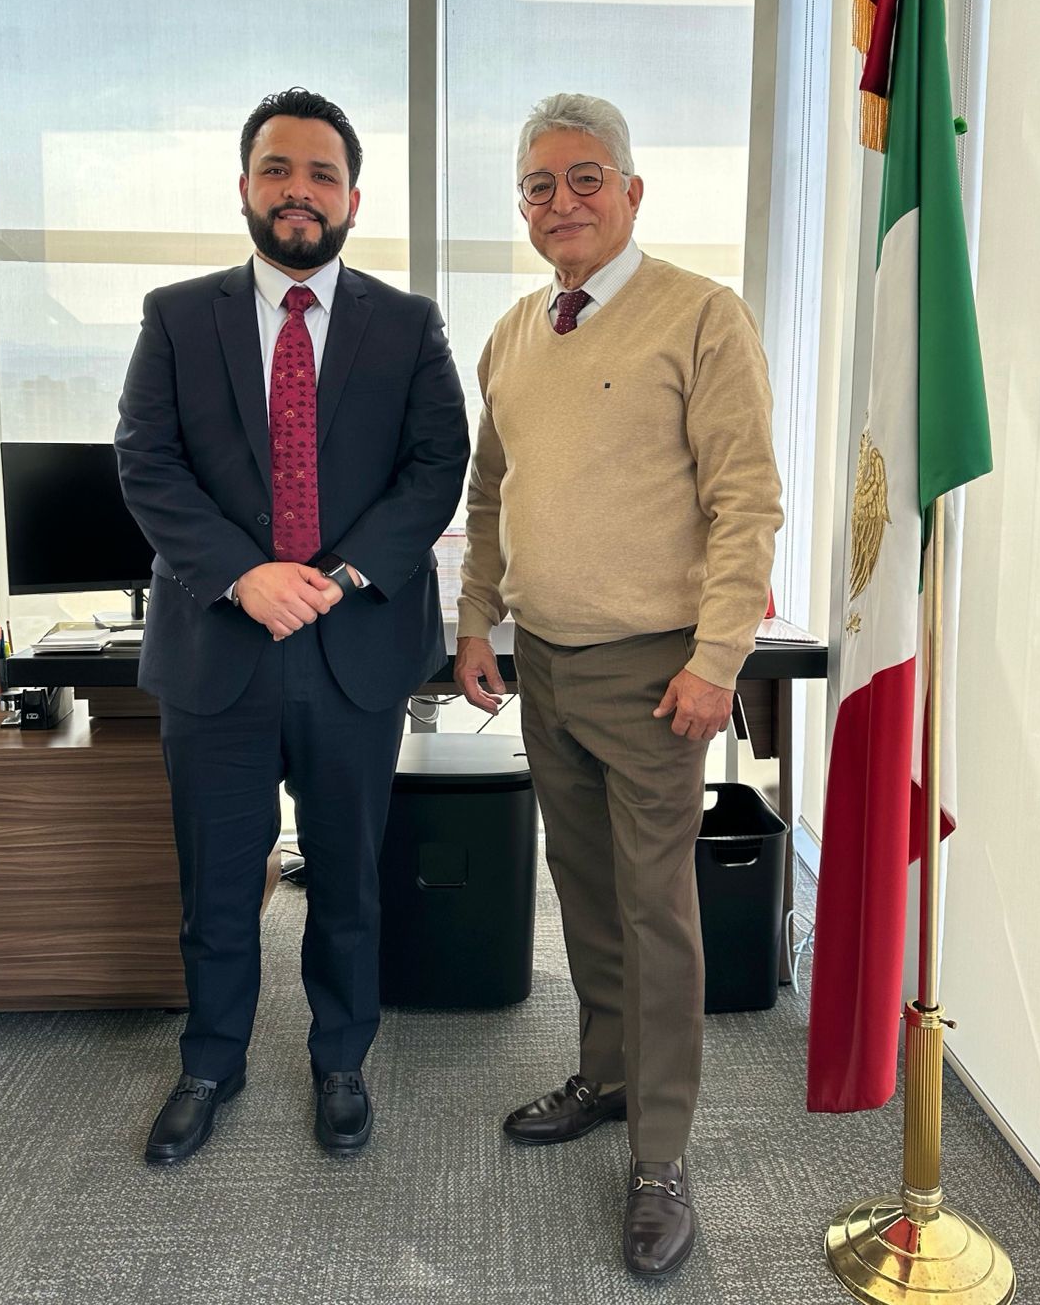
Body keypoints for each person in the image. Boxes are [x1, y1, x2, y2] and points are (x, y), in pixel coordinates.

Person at [455, 93, 782, 1278]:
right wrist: (476, 619)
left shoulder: (700, 316)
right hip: (542, 662)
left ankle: (660, 1150)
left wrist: (715, 660)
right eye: (537, 186)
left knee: (656, 913)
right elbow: (490, 498)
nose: (560, 203)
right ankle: (604, 1073)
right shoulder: (510, 335)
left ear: (632, 191)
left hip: (657, 676)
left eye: (583, 178)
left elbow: (746, 500)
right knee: (582, 889)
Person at [116, 87, 469, 1166]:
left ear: (352, 196)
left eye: (321, 174)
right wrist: (242, 576)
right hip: (218, 646)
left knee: (348, 880)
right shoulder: (178, 315)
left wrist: (342, 573)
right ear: (245, 188)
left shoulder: (406, 326)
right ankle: (210, 1061)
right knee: (218, 882)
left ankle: (340, 1059)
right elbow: (146, 461)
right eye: (278, 170)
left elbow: (434, 469)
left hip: (351, 650)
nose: (299, 192)